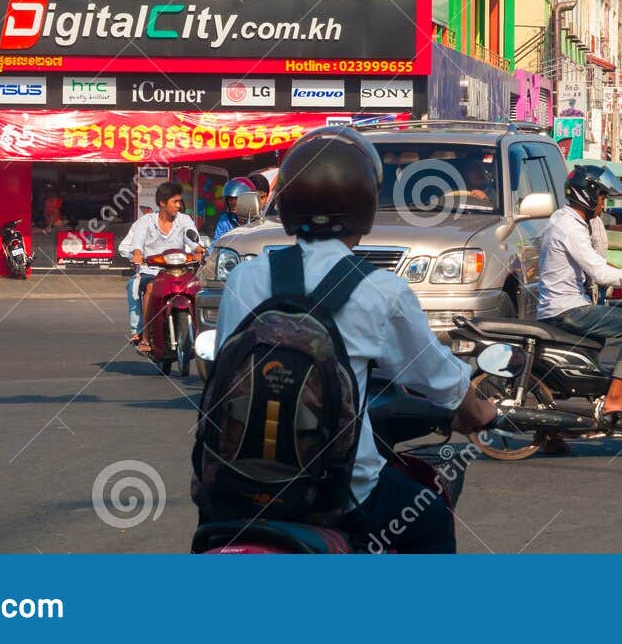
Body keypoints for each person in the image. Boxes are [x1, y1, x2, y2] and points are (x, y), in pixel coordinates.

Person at [210, 127, 495, 553]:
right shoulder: (381, 290)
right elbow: (441, 382)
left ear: (287, 203)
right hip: (339, 494)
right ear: (364, 205)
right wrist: (478, 413)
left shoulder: (245, 277)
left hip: (233, 487)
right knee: (430, 514)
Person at [539, 164, 622, 420]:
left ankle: (556, 428)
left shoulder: (564, 220)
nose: (604, 205)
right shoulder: (571, 227)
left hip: (562, 304)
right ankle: (615, 397)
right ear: (588, 196)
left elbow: (597, 265)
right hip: (568, 308)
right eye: (602, 197)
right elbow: (601, 275)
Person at [120, 182, 201, 350]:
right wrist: (136, 253)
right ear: (162, 203)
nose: (179, 206)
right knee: (150, 287)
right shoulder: (146, 221)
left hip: (178, 271)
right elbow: (137, 241)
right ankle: (144, 337)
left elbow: (191, 235)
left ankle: (199, 330)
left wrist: (198, 247)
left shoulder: (184, 220)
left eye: (179, 201)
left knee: (197, 288)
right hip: (151, 271)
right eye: (175, 202)